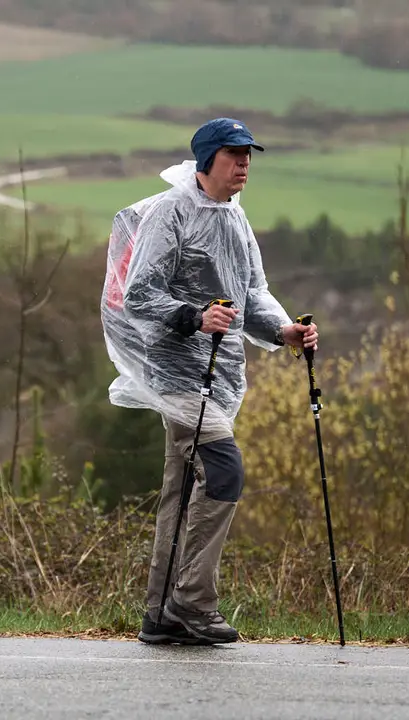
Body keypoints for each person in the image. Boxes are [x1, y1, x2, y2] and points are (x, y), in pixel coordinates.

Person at [100, 117, 318, 645]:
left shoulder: (235, 218)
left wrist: (284, 329)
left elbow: (252, 293)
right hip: (176, 371)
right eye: (233, 154)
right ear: (206, 161)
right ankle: (194, 602)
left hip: (221, 373)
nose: (244, 163)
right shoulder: (172, 212)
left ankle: (160, 614)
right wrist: (195, 316)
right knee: (223, 470)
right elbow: (140, 294)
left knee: (181, 489)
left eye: (248, 155)